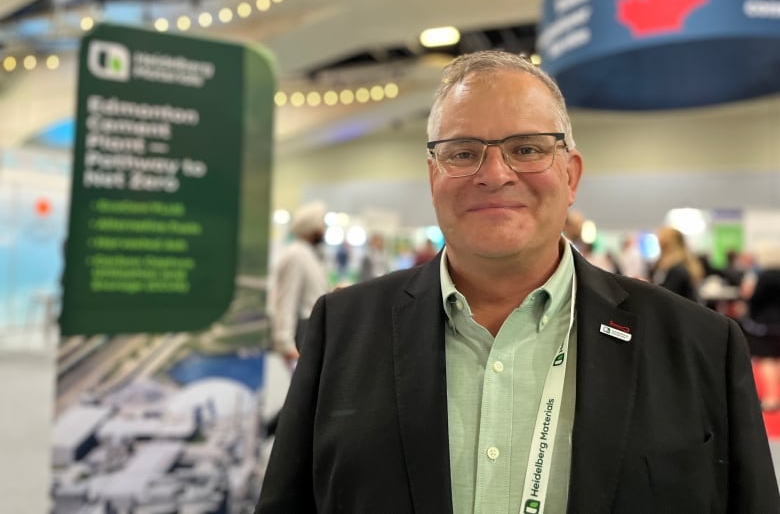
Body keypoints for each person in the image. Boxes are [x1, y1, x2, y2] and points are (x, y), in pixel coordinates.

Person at [255, 51, 778, 514]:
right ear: (434, 176)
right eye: (462, 152)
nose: (494, 173)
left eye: (527, 149)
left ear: (571, 175)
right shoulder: (342, 331)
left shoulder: (698, 344)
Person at [268, 201, 329, 363]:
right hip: (301, 335)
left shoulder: (310, 254)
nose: (324, 230)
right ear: (312, 227)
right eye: (321, 224)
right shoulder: (295, 255)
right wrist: (285, 344)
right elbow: (286, 299)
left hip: (312, 333)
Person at [741, 243, 780, 412]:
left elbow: (755, 299)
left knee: (768, 360)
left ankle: (772, 398)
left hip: (766, 324)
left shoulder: (765, 276)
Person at [650, 226, 705, 301]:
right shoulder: (662, 263)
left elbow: (670, 292)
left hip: (678, 307)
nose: (658, 242)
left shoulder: (678, 267)